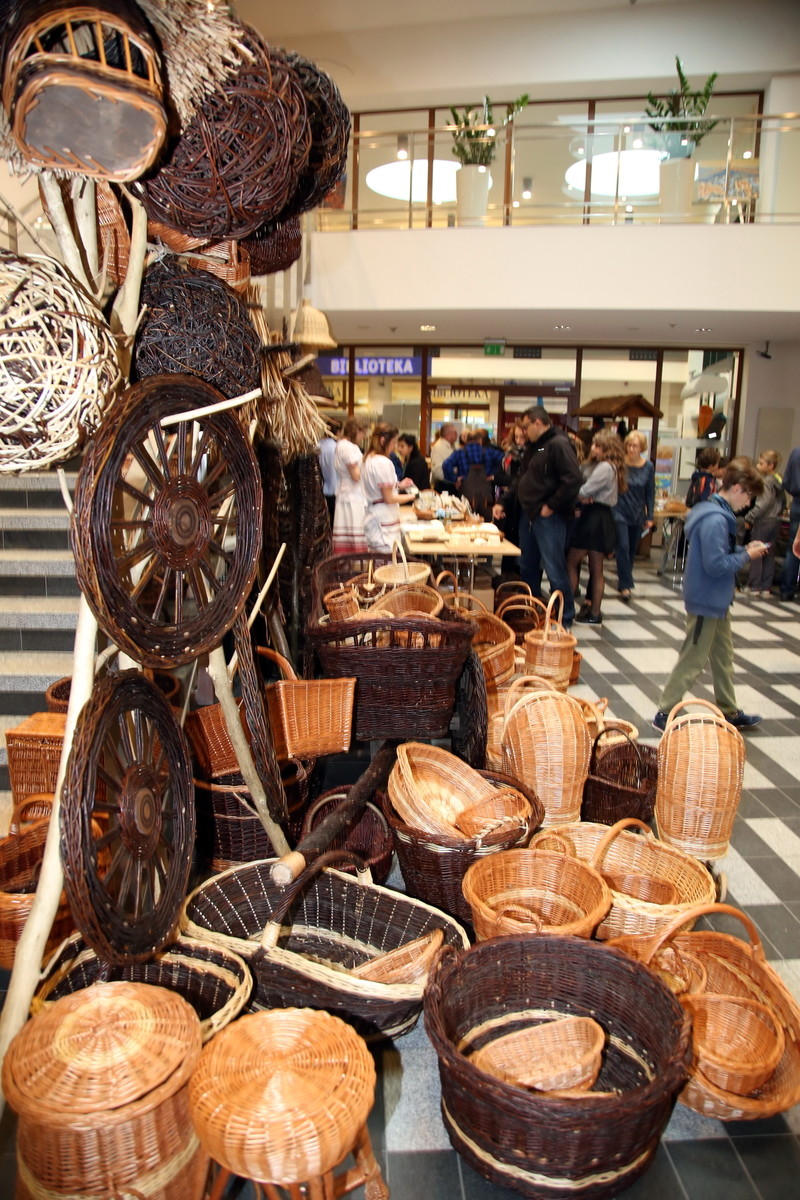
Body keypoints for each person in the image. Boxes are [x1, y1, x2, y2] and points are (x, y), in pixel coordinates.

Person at [652, 457, 770, 733]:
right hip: (707, 599)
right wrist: (747, 556)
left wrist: (744, 550)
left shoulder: (712, 511)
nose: (748, 503)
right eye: (749, 496)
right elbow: (716, 565)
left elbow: (719, 554)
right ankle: (665, 711)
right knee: (693, 658)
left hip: (716, 599)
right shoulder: (716, 519)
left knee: (722, 657)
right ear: (737, 488)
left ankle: (729, 710)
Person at [492, 406, 582, 627]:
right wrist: (503, 502)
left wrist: (551, 505)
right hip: (529, 515)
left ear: (538, 423)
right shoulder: (538, 446)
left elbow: (573, 479)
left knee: (554, 568)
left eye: (526, 426)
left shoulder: (558, 444)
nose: (523, 432)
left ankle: (565, 617)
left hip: (549, 517)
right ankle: (532, 613)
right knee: (527, 565)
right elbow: (522, 479)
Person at [567, 428, 627, 625]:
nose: (593, 448)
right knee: (596, 567)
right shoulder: (612, 467)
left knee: (571, 561)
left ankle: (568, 608)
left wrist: (580, 496)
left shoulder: (605, 467)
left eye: (597, 446)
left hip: (593, 518)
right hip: (601, 517)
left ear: (607, 448)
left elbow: (584, 491)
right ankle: (594, 612)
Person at [614, 430, 656, 600]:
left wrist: (650, 515)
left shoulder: (648, 467)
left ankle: (624, 579)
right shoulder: (619, 463)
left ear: (641, 448)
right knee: (622, 546)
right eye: (629, 445)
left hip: (637, 512)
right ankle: (626, 584)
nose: (631, 449)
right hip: (618, 510)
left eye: (635, 446)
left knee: (631, 549)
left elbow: (650, 492)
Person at [361, 422, 415, 551]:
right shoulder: (383, 462)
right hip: (383, 519)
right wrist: (413, 496)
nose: (394, 447)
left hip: (373, 516)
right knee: (387, 560)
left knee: (377, 558)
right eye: (393, 442)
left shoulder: (368, 459)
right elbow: (389, 498)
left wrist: (398, 485)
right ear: (383, 441)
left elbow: (378, 486)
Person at [744, 450, 784, 595]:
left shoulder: (766, 482)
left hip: (764, 520)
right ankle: (766, 586)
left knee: (757, 552)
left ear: (770, 465)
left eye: (761, 464)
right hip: (776, 520)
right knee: (769, 553)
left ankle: (754, 585)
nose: (758, 466)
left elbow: (763, 503)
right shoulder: (779, 480)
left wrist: (749, 517)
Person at [442, 430, 505, 519]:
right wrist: (493, 474)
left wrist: (455, 479)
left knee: (465, 518)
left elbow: (446, 465)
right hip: (485, 495)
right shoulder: (490, 452)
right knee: (485, 520)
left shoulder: (460, 452)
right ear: (480, 440)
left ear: (466, 440)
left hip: (466, 494)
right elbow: (504, 460)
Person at [331, 417, 369, 554]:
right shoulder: (349, 448)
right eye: (363, 433)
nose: (363, 437)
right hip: (353, 497)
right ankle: (356, 562)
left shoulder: (340, 445)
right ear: (357, 431)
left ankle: (347, 562)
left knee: (346, 535)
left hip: (345, 494)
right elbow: (356, 475)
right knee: (355, 535)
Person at [779, 445, 800, 601]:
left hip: (797, 503)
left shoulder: (795, 452)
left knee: (793, 547)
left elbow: (785, 481)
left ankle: (786, 589)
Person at [317, 418, 340, 523]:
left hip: (321, 490)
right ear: (338, 432)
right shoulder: (336, 448)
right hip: (334, 490)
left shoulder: (318, 445)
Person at [429, 422, 458, 490]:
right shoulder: (439, 448)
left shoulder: (450, 446)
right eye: (455, 433)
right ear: (449, 434)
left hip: (449, 484)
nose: (457, 435)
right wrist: (453, 478)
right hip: (444, 485)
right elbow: (437, 471)